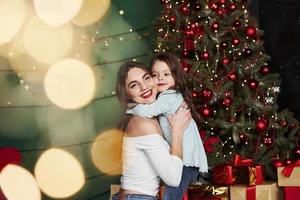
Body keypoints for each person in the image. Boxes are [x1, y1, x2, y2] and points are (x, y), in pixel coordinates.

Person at [126, 52, 208, 200]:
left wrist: (132, 107)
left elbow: (149, 111)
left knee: (171, 196)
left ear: (176, 77)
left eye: (166, 74)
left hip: (185, 162)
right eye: (155, 75)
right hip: (182, 161)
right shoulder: (165, 98)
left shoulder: (169, 97)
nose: (160, 78)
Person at [112, 61, 192, 200]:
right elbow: (173, 179)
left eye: (146, 78)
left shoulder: (152, 118)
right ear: (127, 95)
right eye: (134, 85)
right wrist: (177, 130)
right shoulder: (142, 124)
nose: (144, 87)